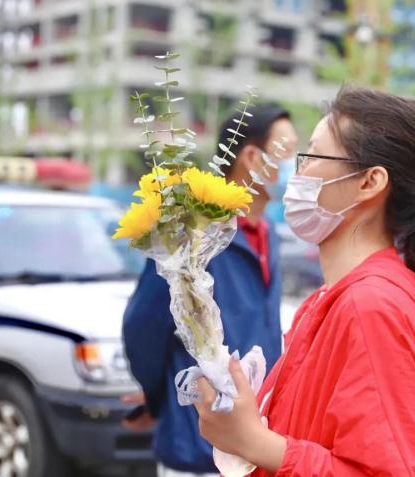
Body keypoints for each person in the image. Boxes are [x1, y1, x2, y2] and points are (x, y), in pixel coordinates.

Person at [193, 87, 415, 476]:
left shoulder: (371, 307)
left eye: (311, 156)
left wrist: (253, 441)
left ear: (370, 182)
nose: (298, 174)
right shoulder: (336, 298)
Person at [122, 104, 299, 477]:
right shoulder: (193, 234)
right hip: (198, 450)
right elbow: (143, 327)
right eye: (290, 152)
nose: (299, 166)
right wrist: (162, 402)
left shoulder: (268, 236)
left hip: (257, 445)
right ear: (252, 157)